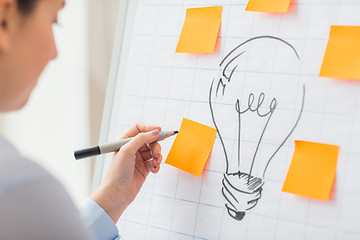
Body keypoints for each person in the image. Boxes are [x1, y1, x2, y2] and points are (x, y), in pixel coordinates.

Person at [0, 0, 163, 239]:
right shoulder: (18, 192)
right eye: (53, 21)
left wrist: (113, 198)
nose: (54, 53)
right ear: (5, 17)